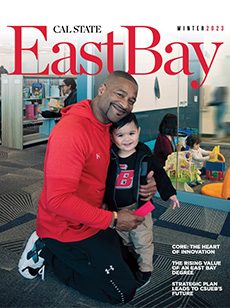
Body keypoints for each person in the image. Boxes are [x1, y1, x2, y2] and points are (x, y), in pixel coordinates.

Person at [18, 71, 157, 305]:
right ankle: (48, 251)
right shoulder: (72, 131)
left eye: (131, 100)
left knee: (133, 267)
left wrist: (144, 186)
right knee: (122, 293)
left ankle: (62, 252)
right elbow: (57, 201)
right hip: (65, 227)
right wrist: (113, 219)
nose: (125, 104)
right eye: (120, 94)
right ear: (102, 89)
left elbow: (117, 169)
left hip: (92, 218)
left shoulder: (108, 127)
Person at [104, 113, 180, 288]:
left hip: (141, 207)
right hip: (117, 208)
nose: (127, 139)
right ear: (112, 137)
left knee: (142, 240)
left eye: (131, 133)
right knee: (123, 238)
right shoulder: (111, 157)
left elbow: (160, 175)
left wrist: (170, 194)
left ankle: (145, 271)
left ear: (138, 131)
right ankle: (131, 262)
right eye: (120, 135)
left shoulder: (145, 155)